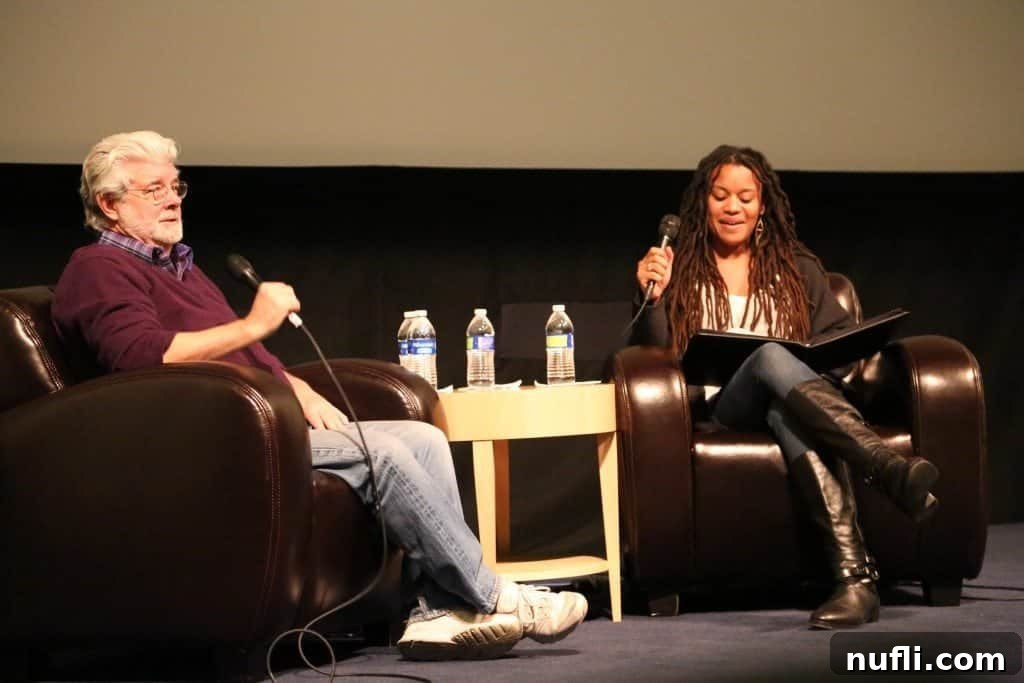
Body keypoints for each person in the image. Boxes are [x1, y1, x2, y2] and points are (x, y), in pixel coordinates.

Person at [52, 130, 588, 661]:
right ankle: (497, 596)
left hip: (258, 423)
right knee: (383, 454)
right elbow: (145, 356)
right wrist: (255, 324)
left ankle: (437, 614)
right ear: (109, 204)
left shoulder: (181, 269)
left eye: (176, 185)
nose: (172, 198)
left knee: (422, 438)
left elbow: (242, 358)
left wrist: (298, 387)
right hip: (200, 443)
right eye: (153, 189)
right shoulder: (98, 269)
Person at [630, 144, 939, 629]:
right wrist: (653, 297)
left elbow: (837, 341)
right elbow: (650, 358)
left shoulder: (797, 268)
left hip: (789, 402)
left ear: (763, 207)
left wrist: (815, 366)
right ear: (702, 203)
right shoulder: (680, 267)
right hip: (726, 409)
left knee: (786, 408)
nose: (733, 207)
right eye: (721, 196)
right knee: (771, 354)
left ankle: (856, 582)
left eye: (746, 197)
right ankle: (884, 464)